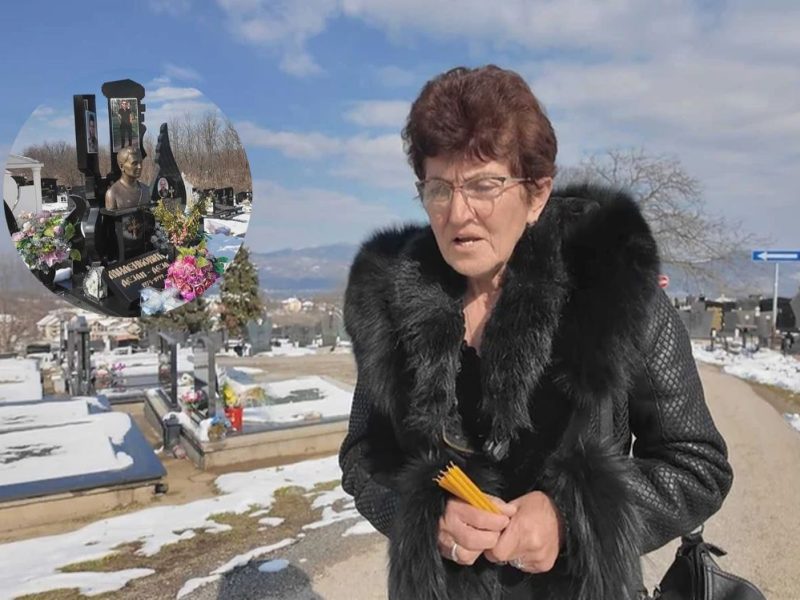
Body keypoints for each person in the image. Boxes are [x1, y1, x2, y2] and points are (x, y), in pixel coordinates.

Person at [339, 65, 733, 600]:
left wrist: (571, 521)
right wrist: (424, 515)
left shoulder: (611, 291)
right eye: (438, 188)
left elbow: (697, 464)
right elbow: (364, 455)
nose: (458, 213)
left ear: (537, 193)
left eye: (484, 185)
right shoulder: (389, 301)